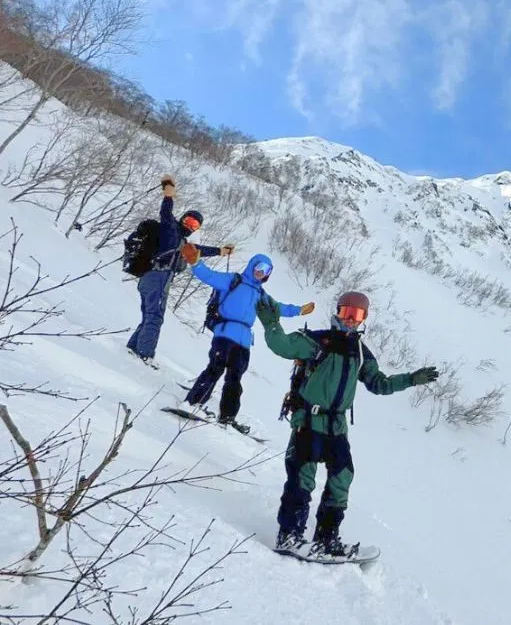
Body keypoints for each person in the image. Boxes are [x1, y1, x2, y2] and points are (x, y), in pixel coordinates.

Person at [255, 291, 439, 561]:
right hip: (309, 421)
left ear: (364, 318)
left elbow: (379, 384)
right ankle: (289, 536)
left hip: (337, 427)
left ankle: (326, 539)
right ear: (338, 312)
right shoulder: (317, 341)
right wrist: (271, 323)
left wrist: (410, 379)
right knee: (302, 478)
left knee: (342, 479)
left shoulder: (361, 354)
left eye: (357, 315)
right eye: (347, 313)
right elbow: (282, 346)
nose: (351, 320)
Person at [178, 243, 315, 433]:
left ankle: (227, 417)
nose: (262, 272)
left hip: (243, 342)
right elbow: (209, 276)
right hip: (225, 334)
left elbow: (278, 308)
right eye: (260, 267)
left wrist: (299, 310)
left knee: (235, 379)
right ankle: (193, 402)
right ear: (252, 266)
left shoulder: (261, 295)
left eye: (267, 271)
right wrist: (196, 262)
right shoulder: (234, 280)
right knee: (215, 369)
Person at [126, 174, 234, 365]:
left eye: (194, 225)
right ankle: (144, 354)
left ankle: (134, 347)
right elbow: (166, 213)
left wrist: (220, 251)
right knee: (155, 317)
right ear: (183, 218)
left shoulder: (182, 241)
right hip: (158, 276)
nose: (189, 225)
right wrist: (169, 194)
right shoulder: (171, 229)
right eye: (188, 220)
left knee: (150, 316)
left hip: (152, 278)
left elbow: (199, 250)